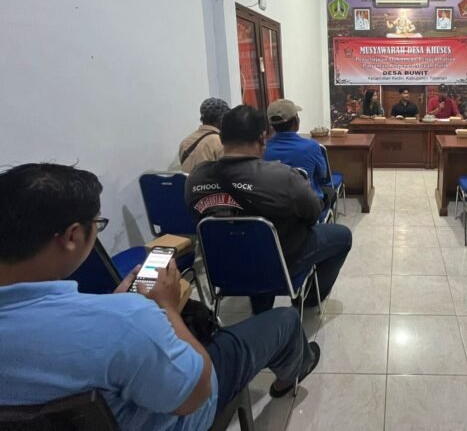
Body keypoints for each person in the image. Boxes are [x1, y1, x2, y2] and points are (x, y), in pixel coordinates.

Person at [0, 163, 320, 431]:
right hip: (179, 412)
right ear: (72, 236)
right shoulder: (125, 319)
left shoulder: (197, 178)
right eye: (98, 224)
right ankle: (292, 373)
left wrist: (113, 303)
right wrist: (165, 307)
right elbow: (196, 394)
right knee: (284, 320)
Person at [186, 105, 352, 314]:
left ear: (221, 136)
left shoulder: (195, 178)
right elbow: (313, 214)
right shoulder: (283, 176)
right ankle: (309, 299)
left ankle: (261, 308)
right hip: (278, 262)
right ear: (262, 138)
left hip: (223, 266)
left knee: (250, 242)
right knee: (342, 236)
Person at [263, 99, 336, 211]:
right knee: (330, 192)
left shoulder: (263, 149)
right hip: (307, 207)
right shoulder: (312, 146)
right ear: (296, 121)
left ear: (271, 125)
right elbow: (323, 175)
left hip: (275, 207)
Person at [178, 98, 230, 173]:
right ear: (221, 119)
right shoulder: (220, 141)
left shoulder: (185, 141)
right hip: (209, 180)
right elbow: (227, 171)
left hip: (188, 181)